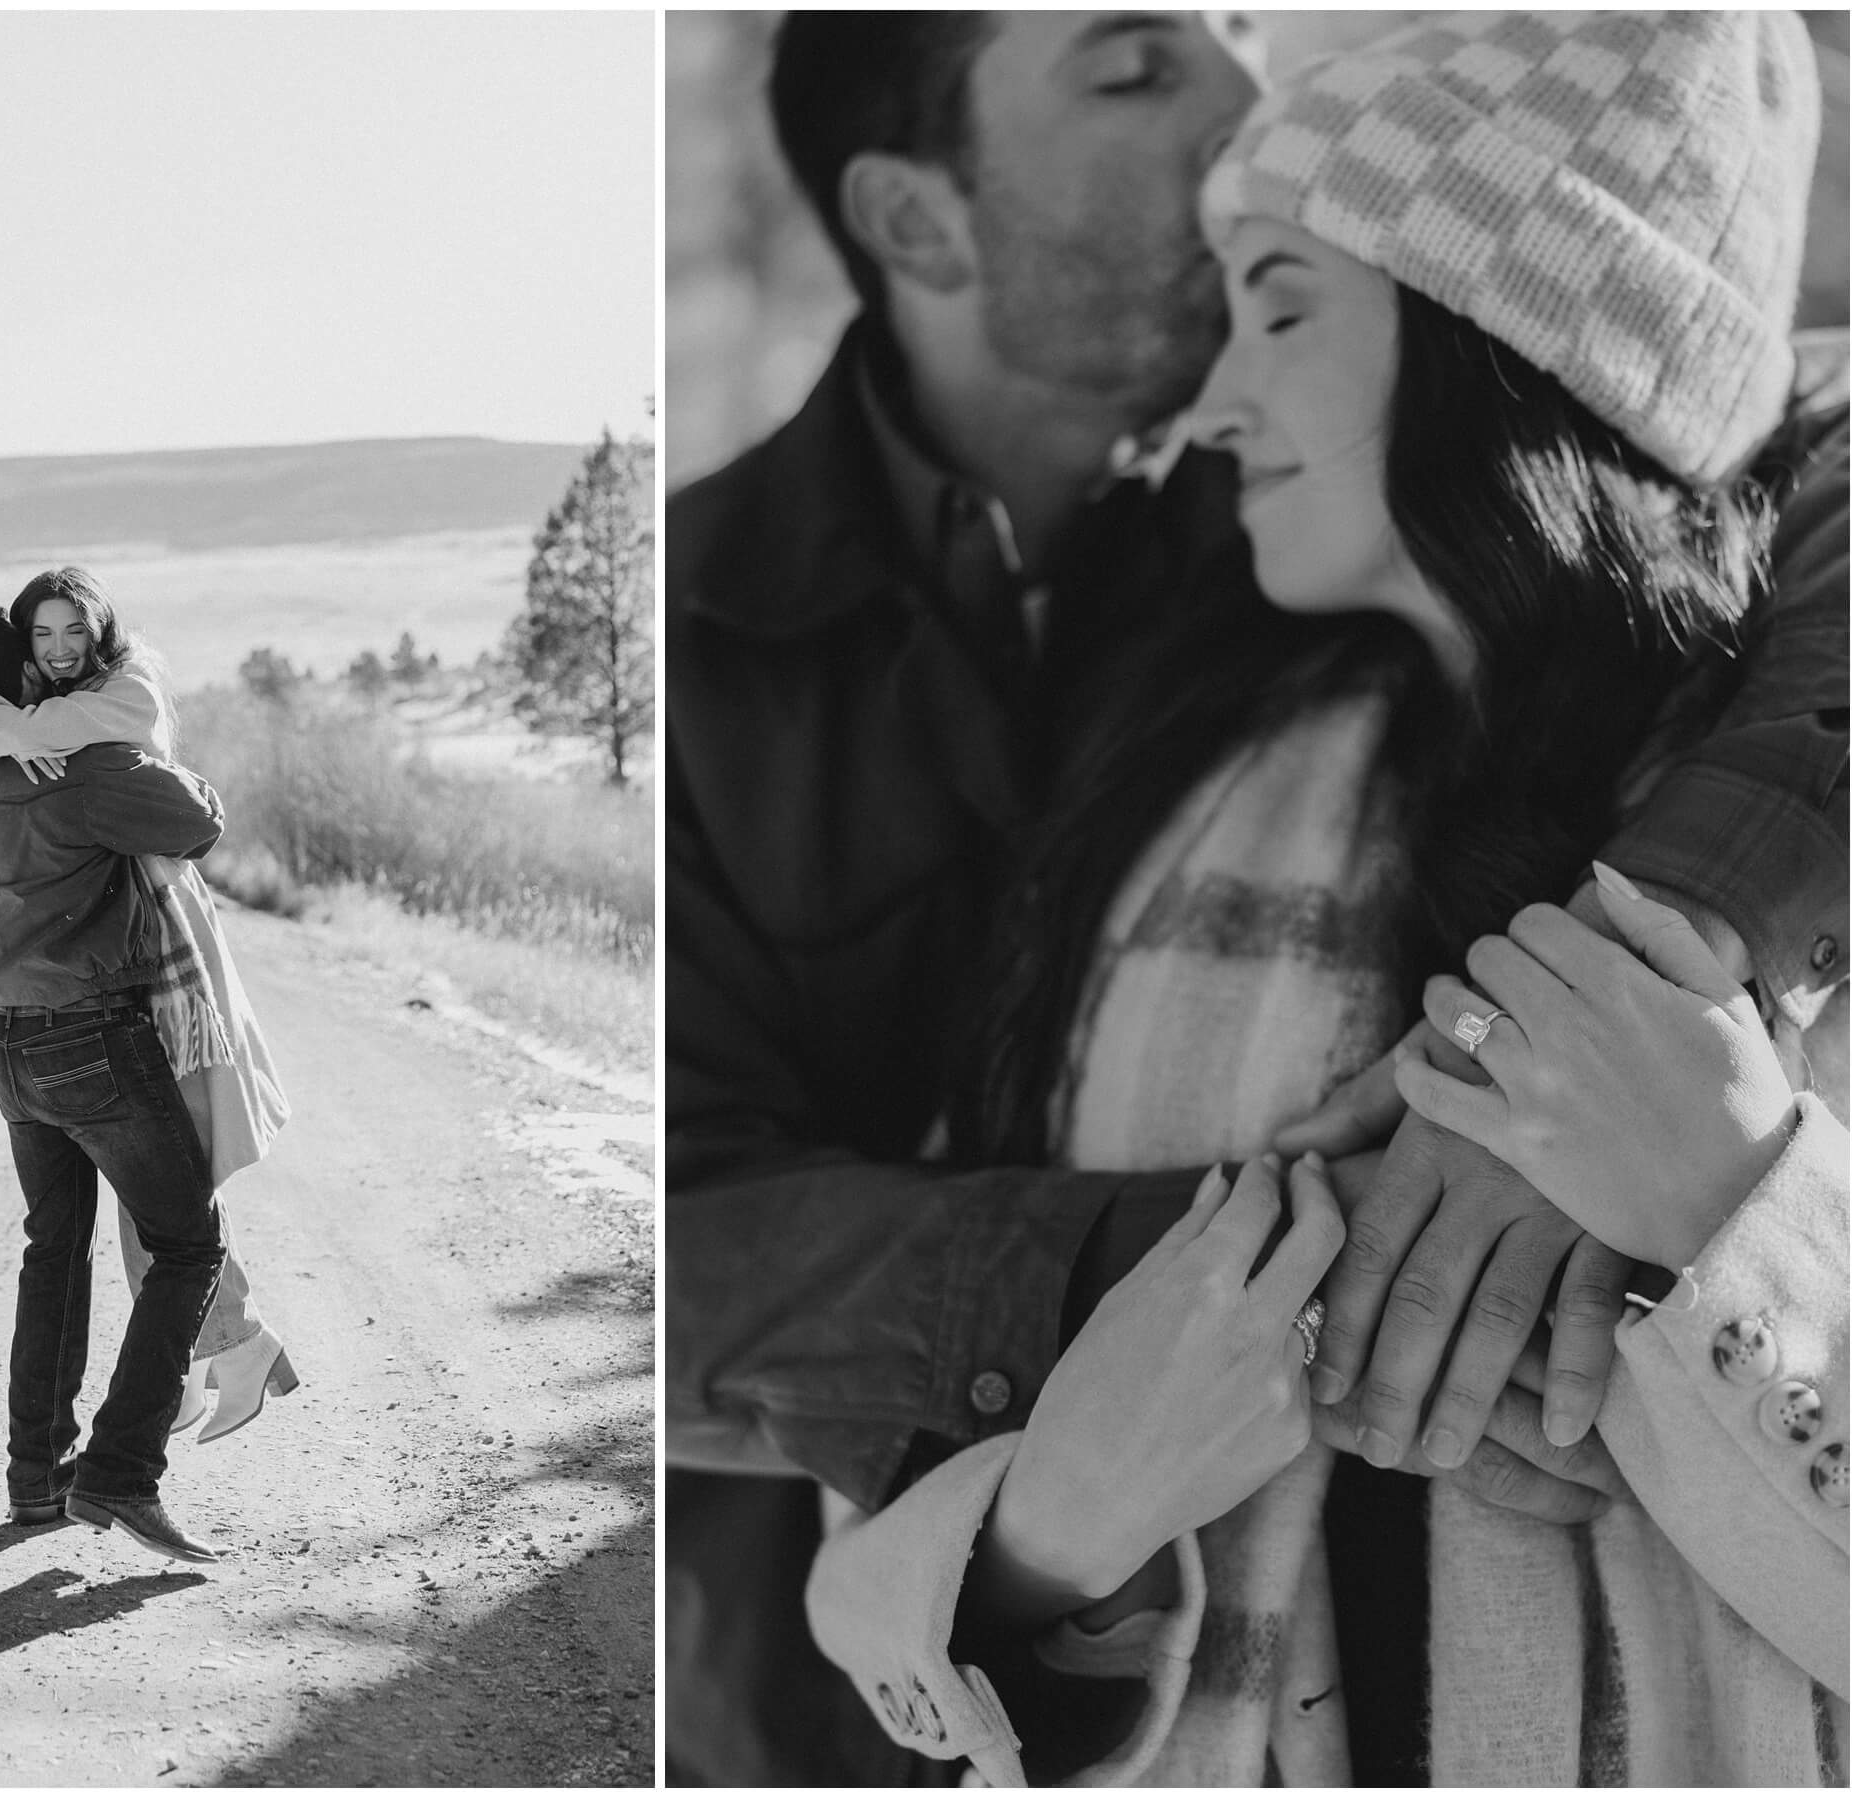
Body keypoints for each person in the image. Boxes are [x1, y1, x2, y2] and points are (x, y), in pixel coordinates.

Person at [665, 11, 1848, 1783]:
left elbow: (1761, 398)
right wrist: (1277, 1274)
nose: (1243, 86)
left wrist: (1647, 1052)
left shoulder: (1761, 820)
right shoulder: (1155, 740)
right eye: (1136, 62)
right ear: (923, 222)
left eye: (1238, 24)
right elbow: (658, 1274)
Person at [0, 567, 298, 1443]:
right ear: (23, 659)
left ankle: (56, 1458)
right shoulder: (60, 760)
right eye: (40, 639)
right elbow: (196, 821)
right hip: (111, 999)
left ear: (98, 630)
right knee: (167, 1200)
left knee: (94, 1228)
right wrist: (18, 732)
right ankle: (225, 1354)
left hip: (64, 1007)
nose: (59, 650)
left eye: (70, 632)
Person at [0, 601, 232, 1565]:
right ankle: (120, 1473)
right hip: (96, 1038)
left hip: (7, 1045)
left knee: (53, 1251)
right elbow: (197, 824)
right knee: (187, 1247)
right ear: (22, 684)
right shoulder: (81, 768)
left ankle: (36, 1479)